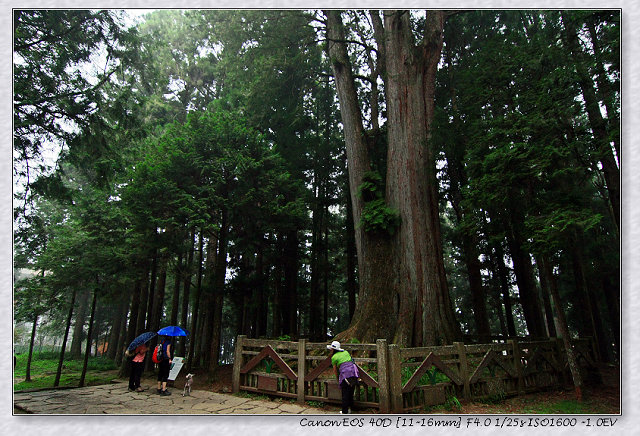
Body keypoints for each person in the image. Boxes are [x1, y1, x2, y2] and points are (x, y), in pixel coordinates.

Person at [327, 340, 359, 414]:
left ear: (333, 349)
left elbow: (335, 370)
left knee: (345, 394)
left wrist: (338, 378)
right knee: (351, 392)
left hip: (345, 375)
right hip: (354, 373)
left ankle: (345, 411)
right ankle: (351, 408)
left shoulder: (334, 357)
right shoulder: (346, 352)